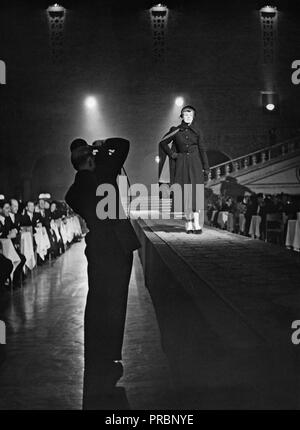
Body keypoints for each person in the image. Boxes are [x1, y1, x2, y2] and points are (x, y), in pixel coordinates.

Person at [65, 137, 140, 410]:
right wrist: (102, 145)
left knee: (97, 300)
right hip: (118, 245)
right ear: (91, 157)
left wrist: (92, 156)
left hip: (97, 248)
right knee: (116, 302)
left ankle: (97, 352)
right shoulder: (104, 173)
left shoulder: (73, 192)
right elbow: (123, 144)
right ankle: (110, 353)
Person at [158, 105, 210, 233]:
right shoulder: (175, 130)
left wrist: (206, 168)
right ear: (181, 116)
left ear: (193, 117)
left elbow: (202, 150)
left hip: (195, 164)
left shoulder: (197, 131)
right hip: (181, 164)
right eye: (185, 115)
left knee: (196, 194)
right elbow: (163, 143)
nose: (187, 117)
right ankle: (188, 224)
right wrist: (172, 154)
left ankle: (197, 223)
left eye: (190, 115)